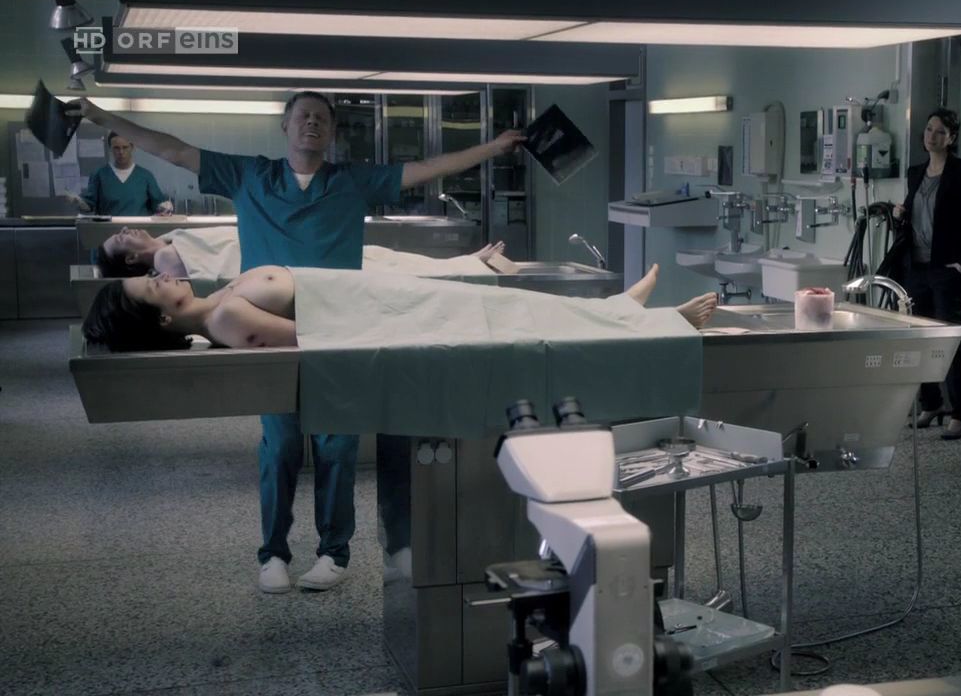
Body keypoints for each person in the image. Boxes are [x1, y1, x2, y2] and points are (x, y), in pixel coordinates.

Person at [69, 91, 524, 594]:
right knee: (280, 446)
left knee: (338, 446)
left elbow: (424, 169)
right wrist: (101, 117)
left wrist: (493, 147)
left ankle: (334, 552)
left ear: (332, 130)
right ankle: (273, 554)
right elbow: (173, 149)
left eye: (322, 117)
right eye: (303, 115)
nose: (312, 123)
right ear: (285, 125)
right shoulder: (249, 176)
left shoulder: (349, 182)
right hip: (275, 343)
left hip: (337, 335)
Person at [82, 263, 717, 352]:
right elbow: (318, 338)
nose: (161, 277)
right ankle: (653, 320)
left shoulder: (219, 299)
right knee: (514, 317)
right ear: (162, 317)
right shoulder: (224, 319)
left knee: (514, 303)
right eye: (152, 288)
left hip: (380, 295)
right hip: (386, 314)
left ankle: (617, 306)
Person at [889, 108, 961, 440]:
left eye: (940, 131)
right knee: (918, 339)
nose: (932, 136)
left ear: (951, 138)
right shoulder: (916, 173)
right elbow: (915, 215)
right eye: (929, 129)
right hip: (916, 268)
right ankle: (931, 404)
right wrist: (899, 214)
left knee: (950, 341)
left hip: (945, 269)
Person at [95, 225, 507, 279]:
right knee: (386, 267)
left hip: (299, 249)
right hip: (294, 262)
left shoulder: (170, 240)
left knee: (381, 257)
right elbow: (228, 265)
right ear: (131, 259)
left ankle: (466, 264)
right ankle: (468, 266)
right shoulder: (167, 259)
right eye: (121, 240)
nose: (125, 231)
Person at [65, 132, 173, 217]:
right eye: (116, 148)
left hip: (138, 233)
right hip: (109, 233)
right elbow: (89, 205)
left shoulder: (145, 176)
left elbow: (159, 206)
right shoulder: (100, 175)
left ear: (132, 147)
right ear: (110, 149)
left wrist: (165, 207)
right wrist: (79, 202)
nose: (121, 152)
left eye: (125, 147)